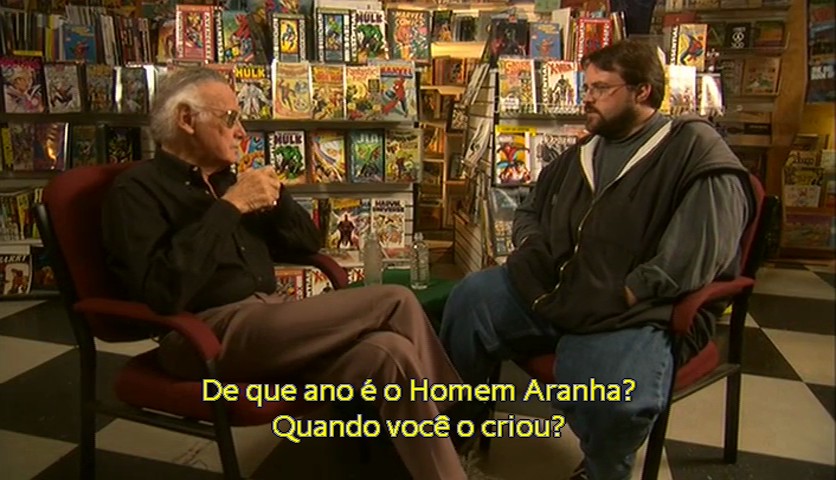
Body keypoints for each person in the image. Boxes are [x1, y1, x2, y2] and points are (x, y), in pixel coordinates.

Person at [100, 67, 469, 480]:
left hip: (269, 321)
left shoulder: (229, 181)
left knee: (391, 353)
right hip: (201, 335)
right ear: (187, 119)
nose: (241, 131)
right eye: (230, 117)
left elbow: (307, 244)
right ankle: (457, 423)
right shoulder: (137, 190)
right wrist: (230, 208)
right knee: (394, 299)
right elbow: (162, 292)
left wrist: (275, 197)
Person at [440, 40, 756, 480]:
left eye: (601, 88)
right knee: (470, 300)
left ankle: (602, 470)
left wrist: (633, 290)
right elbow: (529, 210)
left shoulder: (692, 148)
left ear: (642, 91)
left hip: (632, 310)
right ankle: (459, 437)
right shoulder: (585, 151)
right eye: (586, 87)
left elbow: (699, 249)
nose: (586, 98)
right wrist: (533, 249)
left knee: (615, 400)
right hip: (559, 287)